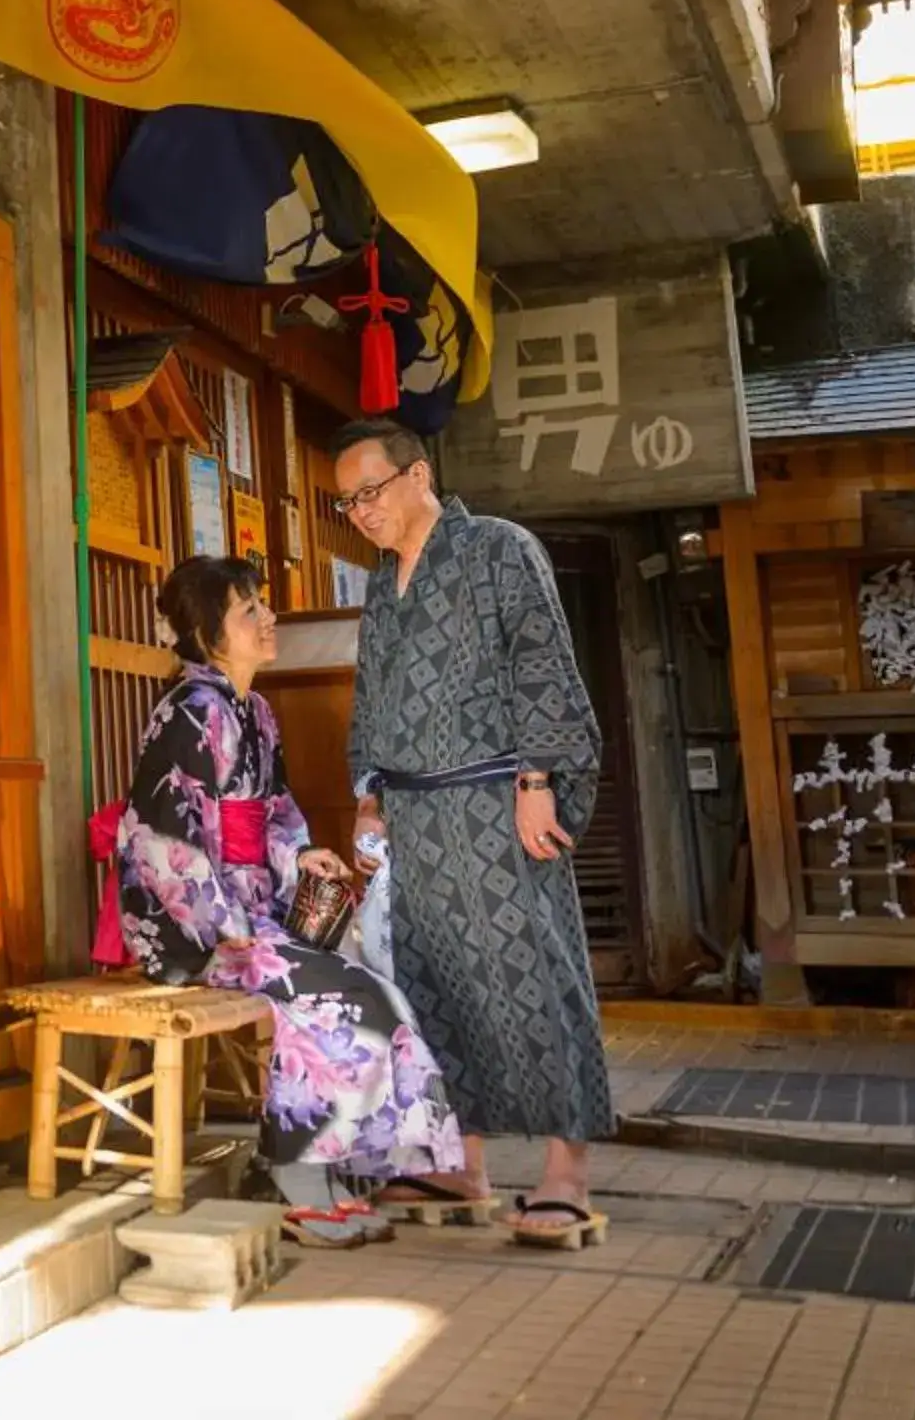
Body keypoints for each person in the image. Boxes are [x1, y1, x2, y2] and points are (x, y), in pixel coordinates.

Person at [101, 554, 467, 1249]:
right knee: (337, 998)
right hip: (193, 929)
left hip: (256, 910)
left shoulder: (257, 715)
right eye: (250, 612)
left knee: (374, 987)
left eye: (261, 606)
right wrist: (225, 927)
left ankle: (338, 1175)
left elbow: (273, 814)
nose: (268, 619)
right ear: (210, 635)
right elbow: (161, 841)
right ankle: (297, 1180)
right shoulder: (188, 713)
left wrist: (300, 858)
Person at [329, 416, 616, 1250]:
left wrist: (538, 781)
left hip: (499, 802)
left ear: (418, 475)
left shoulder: (499, 549)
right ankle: (466, 1167)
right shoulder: (384, 586)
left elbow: (542, 663)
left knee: (535, 973)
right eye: (347, 502)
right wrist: (368, 792)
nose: (361, 511)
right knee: (437, 993)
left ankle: (566, 1173)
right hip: (414, 816)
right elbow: (371, 697)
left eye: (370, 491)